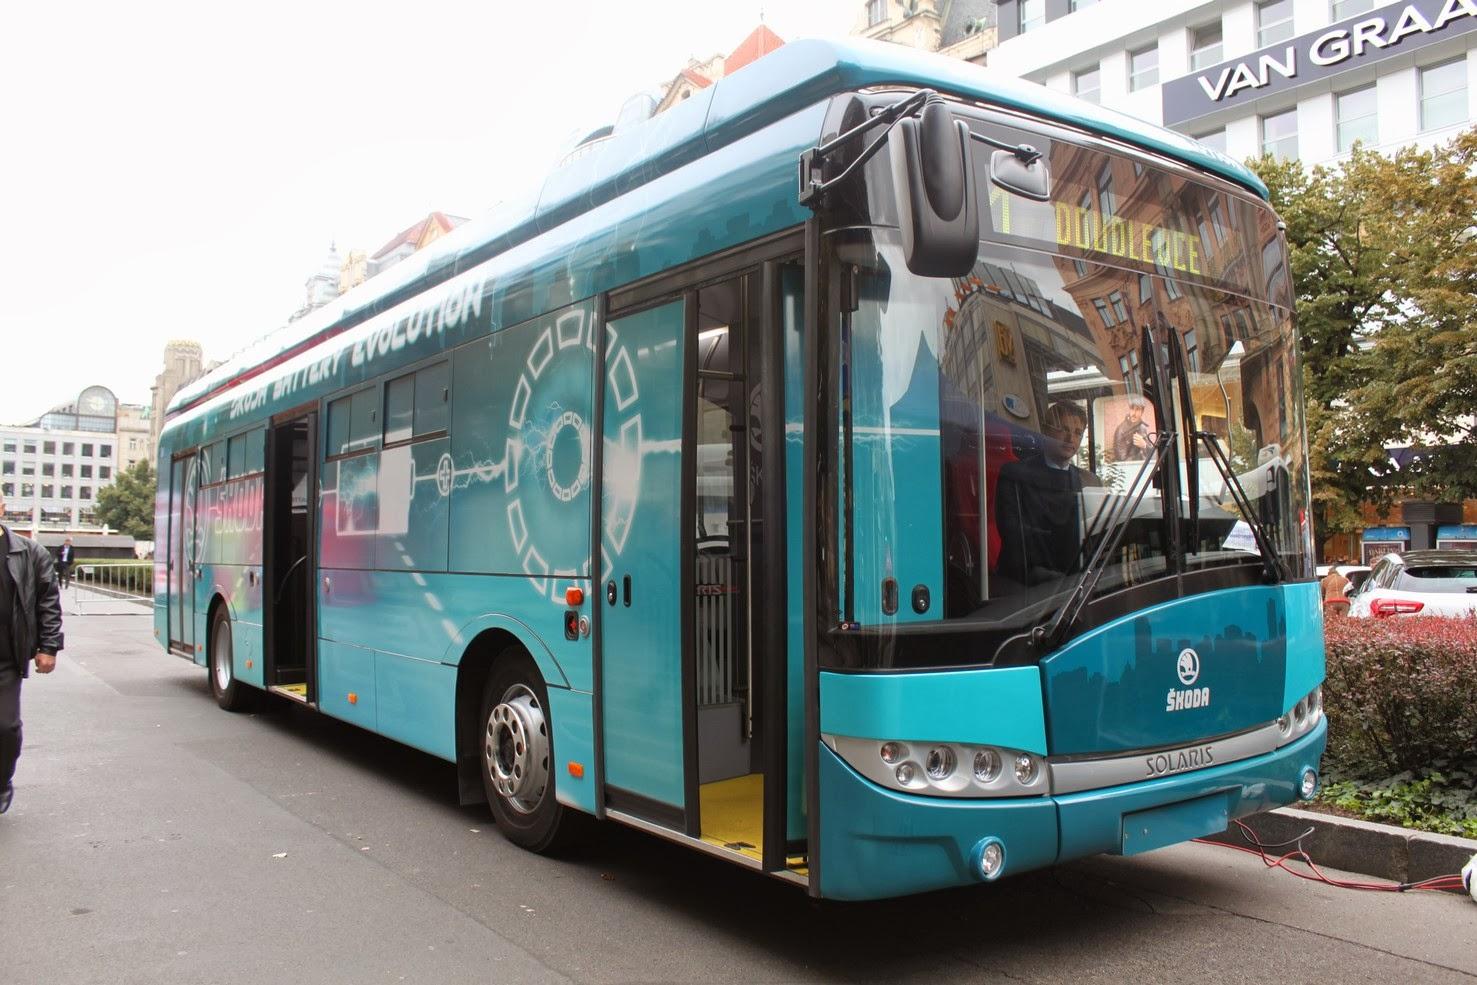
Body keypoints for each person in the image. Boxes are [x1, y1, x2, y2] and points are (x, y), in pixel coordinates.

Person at [0, 492, 64, 814]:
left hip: (6, 658)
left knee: (5, 727)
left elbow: (48, 601)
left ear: (1, 507)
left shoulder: (29, 552)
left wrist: (48, 646)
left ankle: (1, 781)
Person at [995, 401, 1102, 587]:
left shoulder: (1090, 482)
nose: (1070, 438)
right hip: (1024, 583)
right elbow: (1013, 533)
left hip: (1075, 583)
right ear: (1045, 430)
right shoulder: (1015, 475)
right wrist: (1038, 574)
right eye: (1063, 429)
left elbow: (1096, 538)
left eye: (1078, 433)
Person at [1112, 395, 1152, 462]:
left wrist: (1144, 445)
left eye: (1137, 409)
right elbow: (1121, 459)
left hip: (1145, 465)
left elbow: (1152, 453)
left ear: (1142, 412)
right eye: (1132, 409)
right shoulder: (1121, 430)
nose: (1133, 413)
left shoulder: (1142, 427)